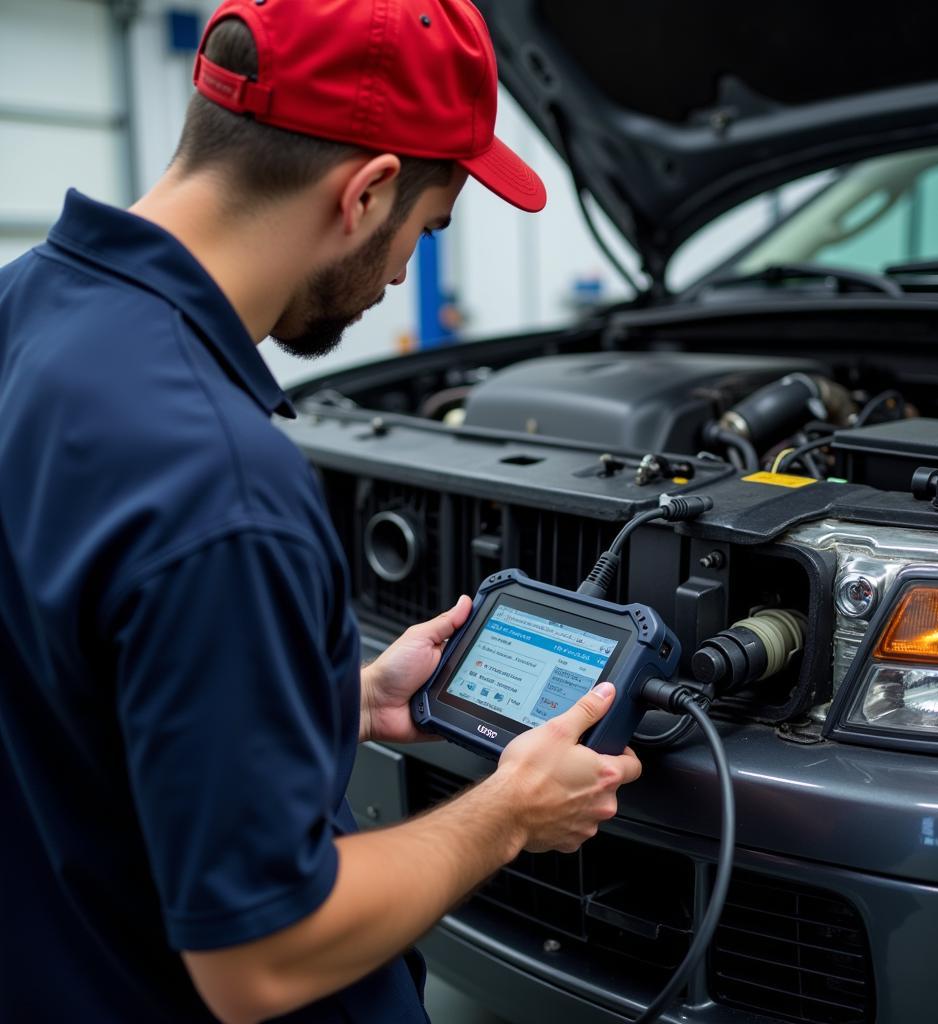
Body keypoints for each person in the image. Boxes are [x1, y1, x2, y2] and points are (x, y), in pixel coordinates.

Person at [0, 2, 643, 1022]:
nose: (399, 275)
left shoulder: (23, 310)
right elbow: (259, 957)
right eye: (423, 234)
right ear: (368, 190)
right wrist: (509, 813)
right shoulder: (221, 481)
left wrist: (324, 699)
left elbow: (69, 673)